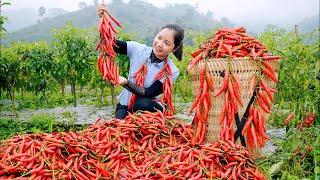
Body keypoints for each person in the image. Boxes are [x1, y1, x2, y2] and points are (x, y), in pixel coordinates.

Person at [98, 5, 184, 119]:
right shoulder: (138, 50)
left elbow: (148, 93)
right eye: (159, 38)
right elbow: (109, 44)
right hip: (126, 104)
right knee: (117, 128)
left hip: (149, 106)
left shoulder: (172, 71)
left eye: (166, 43)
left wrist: (126, 83)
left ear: (174, 49)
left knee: (141, 103)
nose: (159, 44)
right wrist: (104, 19)